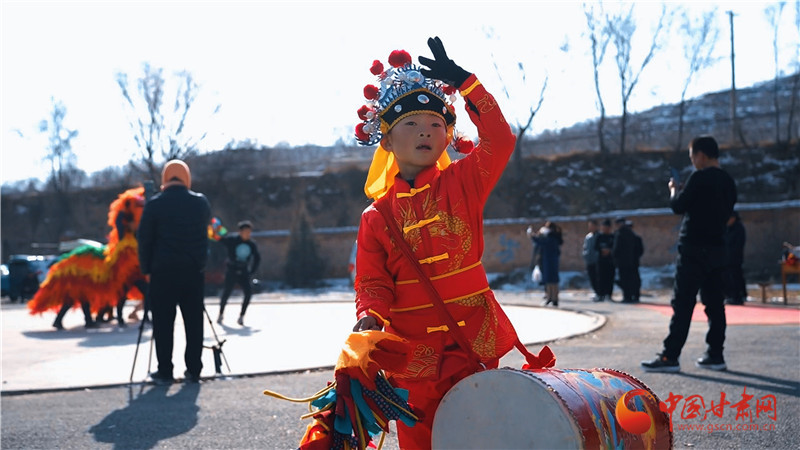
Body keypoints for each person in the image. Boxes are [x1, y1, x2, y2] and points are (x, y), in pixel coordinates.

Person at [350, 37, 553, 447]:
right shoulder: (376, 217)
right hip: (412, 354)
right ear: (386, 140)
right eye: (411, 124)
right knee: (420, 439)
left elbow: (500, 140)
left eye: (436, 125)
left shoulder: (465, 182)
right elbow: (373, 281)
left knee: (482, 435)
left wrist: (466, 83)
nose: (426, 131)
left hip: (473, 340)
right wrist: (371, 314)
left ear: (447, 138)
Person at [641, 135, 737, 373]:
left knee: (683, 303)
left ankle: (670, 356)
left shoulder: (698, 177)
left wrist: (674, 190)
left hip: (693, 249)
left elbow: (678, 206)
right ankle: (715, 355)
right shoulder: (728, 180)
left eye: (692, 156)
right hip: (718, 249)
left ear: (701, 155)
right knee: (715, 304)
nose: (693, 161)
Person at [138, 160, 211, 384]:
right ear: (186, 177)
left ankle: (165, 370)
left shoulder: (154, 205)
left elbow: (144, 240)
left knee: (163, 323)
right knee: (193, 322)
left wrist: (146, 269)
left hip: (162, 271)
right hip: (192, 271)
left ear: (165, 178)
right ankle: (194, 369)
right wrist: (201, 262)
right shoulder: (200, 202)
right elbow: (205, 236)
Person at [217, 220, 261, 326]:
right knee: (226, 293)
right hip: (232, 270)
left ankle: (241, 316)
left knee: (248, 293)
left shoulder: (251, 244)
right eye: (246, 231)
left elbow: (257, 258)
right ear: (240, 232)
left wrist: (252, 271)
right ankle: (221, 313)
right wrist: (217, 229)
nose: (248, 234)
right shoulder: (232, 240)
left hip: (244, 271)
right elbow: (220, 238)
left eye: (249, 232)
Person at [529, 221, 563, 306]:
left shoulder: (552, 237)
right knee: (549, 280)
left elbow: (541, 242)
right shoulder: (552, 237)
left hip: (550, 260)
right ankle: (551, 298)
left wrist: (532, 236)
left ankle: (553, 298)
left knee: (551, 280)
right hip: (549, 260)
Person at [612, 217, 639, 303]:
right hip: (630, 260)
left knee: (624, 279)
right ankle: (630, 295)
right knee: (629, 279)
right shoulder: (630, 233)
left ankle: (627, 296)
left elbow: (617, 247)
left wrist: (614, 256)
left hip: (622, 261)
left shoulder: (620, 233)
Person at [723, 211, 746, 305]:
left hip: (735, 258)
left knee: (736, 277)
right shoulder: (727, 228)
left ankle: (738, 296)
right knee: (727, 277)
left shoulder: (739, 228)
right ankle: (729, 295)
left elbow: (739, 244)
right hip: (726, 258)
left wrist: (732, 253)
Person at [595, 219, 616, 302]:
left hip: (610, 261)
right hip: (601, 261)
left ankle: (609, 295)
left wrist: (609, 251)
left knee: (610, 278)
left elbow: (616, 247)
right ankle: (600, 294)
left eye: (606, 227)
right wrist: (602, 251)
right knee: (600, 278)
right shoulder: (599, 237)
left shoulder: (613, 237)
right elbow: (595, 247)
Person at [583, 219, 601, 302]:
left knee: (598, 278)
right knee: (592, 277)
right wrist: (585, 255)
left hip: (597, 261)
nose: (591, 227)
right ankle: (596, 292)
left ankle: (600, 293)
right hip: (589, 260)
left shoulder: (599, 236)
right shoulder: (588, 237)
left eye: (592, 226)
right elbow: (585, 247)